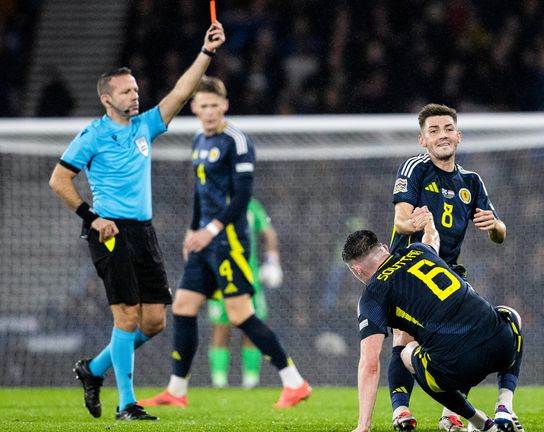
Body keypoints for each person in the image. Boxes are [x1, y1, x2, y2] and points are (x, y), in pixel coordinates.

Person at [48, 23, 226, 421]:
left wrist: (207, 52)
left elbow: (181, 93)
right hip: (110, 231)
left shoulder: (144, 125)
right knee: (126, 316)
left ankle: (92, 370)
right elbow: (59, 179)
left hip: (143, 232)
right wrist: (91, 218)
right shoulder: (92, 135)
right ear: (106, 97)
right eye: (127, 90)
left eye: (136, 88)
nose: (135, 93)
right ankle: (126, 403)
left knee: (153, 321)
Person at [138, 76, 311, 409]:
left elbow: (243, 197)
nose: (209, 112)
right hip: (205, 242)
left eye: (215, 106)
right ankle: (176, 390)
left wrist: (211, 230)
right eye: (203, 106)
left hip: (229, 242)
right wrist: (192, 229)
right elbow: (202, 192)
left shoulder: (237, 141)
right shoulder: (198, 140)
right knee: (183, 307)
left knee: (240, 316)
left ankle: (294, 381)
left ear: (225, 106)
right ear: (194, 108)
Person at [342, 210, 524, 432]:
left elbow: (370, 364)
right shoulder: (418, 250)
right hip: (501, 347)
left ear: (357, 270)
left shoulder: (373, 295)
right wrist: (429, 224)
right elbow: (432, 239)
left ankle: (479, 422)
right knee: (510, 314)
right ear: (385, 249)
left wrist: (363, 426)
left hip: (459, 367)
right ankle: (505, 404)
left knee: (407, 352)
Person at [388, 103, 507, 431]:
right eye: (434, 131)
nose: (442, 135)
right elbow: (399, 222)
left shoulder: (472, 181)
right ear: (422, 140)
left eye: (447, 129)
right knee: (404, 336)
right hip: (409, 268)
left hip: (447, 272)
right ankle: (401, 411)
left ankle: (450, 414)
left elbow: (500, 234)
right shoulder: (415, 168)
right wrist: (418, 224)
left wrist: (494, 225)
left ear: (458, 135)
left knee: (466, 340)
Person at [207, 198, 283, 388]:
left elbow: (269, 233)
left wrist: (272, 261)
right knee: (220, 328)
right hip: (221, 276)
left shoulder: (250, 205)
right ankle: (219, 382)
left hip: (249, 277)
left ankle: (250, 381)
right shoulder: (213, 203)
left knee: (251, 327)